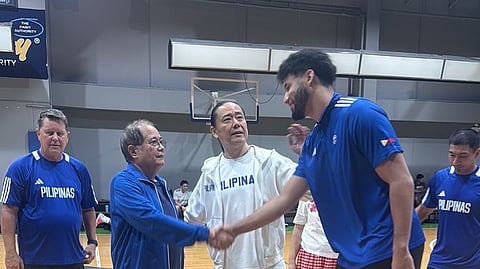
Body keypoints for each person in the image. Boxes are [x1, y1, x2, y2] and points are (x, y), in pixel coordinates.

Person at [212, 49, 426, 269]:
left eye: (287, 88)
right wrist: (235, 229)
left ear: (309, 77)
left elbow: (402, 181)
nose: (285, 99)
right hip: (350, 256)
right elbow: (283, 201)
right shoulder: (313, 141)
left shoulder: (360, 114)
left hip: (387, 250)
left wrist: (401, 250)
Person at [185, 100, 298, 269]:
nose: (236, 123)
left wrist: (306, 155)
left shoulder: (270, 161)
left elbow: (311, 187)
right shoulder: (210, 172)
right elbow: (191, 219)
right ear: (214, 131)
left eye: (240, 117)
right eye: (227, 119)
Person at [110, 119, 218, 269]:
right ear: (133, 151)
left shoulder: (161, 185)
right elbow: (152, 221)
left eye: (161, 142)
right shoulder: (123, 183)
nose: (161, 147)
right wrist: (204, 234)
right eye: (154, 142)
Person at [1, 108, 98, 269]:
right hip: (34, 261)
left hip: (73, 259)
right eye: (49, 133)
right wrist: (10, 253)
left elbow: (88, 209)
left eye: (60, 134)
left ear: (68, 136)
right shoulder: (20, 167)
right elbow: (8, 211)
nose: (55, 138)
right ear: (38, 134)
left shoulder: (79, 169)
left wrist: (92, 242)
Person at [415, 128, 480, 269]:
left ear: (476, 153)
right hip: (439, 262)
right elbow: (422, 211)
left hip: (472, 264)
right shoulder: (440, 178)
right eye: (452, 155)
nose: (456, 161)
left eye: (463, 156)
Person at [288, 191, 338, 269]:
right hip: (310, 255)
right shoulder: (308, 192)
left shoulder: (346, 192)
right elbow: (299, 227)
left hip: (339, 257)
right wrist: (291, 261)